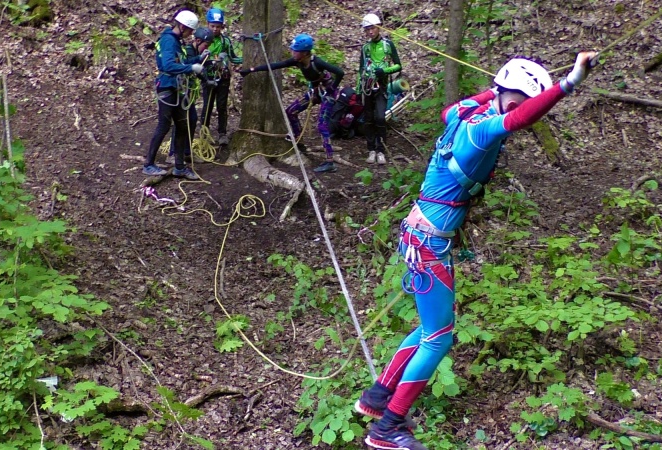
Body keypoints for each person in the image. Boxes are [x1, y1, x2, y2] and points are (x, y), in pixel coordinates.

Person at [354, 52, 599, 450]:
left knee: (427, 329)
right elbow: (521, 118)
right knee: (440, 337)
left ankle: (377, 398)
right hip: (428, 243)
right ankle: (387, 429)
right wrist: (570, 81)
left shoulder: (464, 115)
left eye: (520, 101)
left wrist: (497, 89)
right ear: (503, 96)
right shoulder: (484, 129)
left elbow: (451, 108)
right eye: (514, 99)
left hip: (421, 236)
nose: (517, 111)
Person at [240, 33, 345, 173]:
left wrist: (332, 88)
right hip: (315, 91)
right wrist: (251, 70)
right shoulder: (298, 61)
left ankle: (330, 161)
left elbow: (340, 72)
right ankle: (298, 139)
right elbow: (276, 65)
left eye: (295, 50)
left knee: (322, 125)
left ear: (305, 52)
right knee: (291, 111)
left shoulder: (317, 62)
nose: (292, 52)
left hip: (327, 94)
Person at [143, 10, 205, 180]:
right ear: (183, 27)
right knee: (163, 125)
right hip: (167, 87)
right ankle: (148, 164)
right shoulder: (169, 41)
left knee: (182, 125)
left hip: (175, 88)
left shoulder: (176, 41)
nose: (191, 34)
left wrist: (198, 59)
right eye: (190, 31)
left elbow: (182, 62)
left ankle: (179, 167)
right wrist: (191, 69)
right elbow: (169, 65)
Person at [357, 13, 402, 165]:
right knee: (368, 118)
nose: (370, 32)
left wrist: (385, 71)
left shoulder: (388, 45)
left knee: (380, 118)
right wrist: (358, 91)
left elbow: (398, 65)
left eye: (372, 28)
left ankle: (381, 150)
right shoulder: (365, 48)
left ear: (378, 28)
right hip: (367, 86)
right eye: (367, 29)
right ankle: (371, 149)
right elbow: (361, 69)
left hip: (381, 86)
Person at [168, 27, 215, 163]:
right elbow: (187, 64)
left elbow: (199, 71)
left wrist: (208, 78)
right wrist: (199, 59)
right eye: (205, 45)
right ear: (198, 41)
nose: (206, 48)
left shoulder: (195, 52)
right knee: (181, 121)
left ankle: (187, 152)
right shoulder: (188, 50)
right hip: (181, 92)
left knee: (192, 120)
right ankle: (173, 153)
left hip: (189, 94)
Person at [200, 8, 243, 146]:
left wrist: (246, 58)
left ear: (222, 27)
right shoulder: (203, 40)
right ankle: (204, 132)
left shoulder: (225, 41)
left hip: (223, 77)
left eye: (218, 27)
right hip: (207, 77)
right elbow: (197, 58)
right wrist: (211, 60)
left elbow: (233, 58)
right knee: (207, 105)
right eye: (212, 26)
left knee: (221, 105)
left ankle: (222, 133)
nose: (215, 29)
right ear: (207, 24)